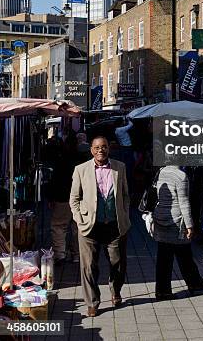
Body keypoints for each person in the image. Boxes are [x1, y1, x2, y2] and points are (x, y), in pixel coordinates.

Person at [69, 135, 131, 317]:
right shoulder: (80, 170)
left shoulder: (120, 167)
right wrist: (80, 220)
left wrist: (125, 215)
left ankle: (115, 290)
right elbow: (74, 199)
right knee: (89, 266)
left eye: (103, 147)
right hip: (89, 226)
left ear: (108, 148)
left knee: (117, 263)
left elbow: (126, 195)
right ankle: (92, 302)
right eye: (96, 147)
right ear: (91, 150)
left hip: (114, 224)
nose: (100, 150)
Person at [153, 165, 203, 300]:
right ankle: (195, 284)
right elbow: (184, 202)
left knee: (164, 257)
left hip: (160, 217)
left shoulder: (161, 171)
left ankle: (162, 290)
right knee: (184, 254)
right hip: (176, 221)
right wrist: (190, 225)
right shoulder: (180, 176)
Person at [46, 134, 80, 265]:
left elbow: (55, 180)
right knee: (77, 227)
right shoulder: (82, 159)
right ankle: (77, 254)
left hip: (62, 197)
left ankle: (60, 254)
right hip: (79, 198)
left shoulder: (60, 160)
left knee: (59, 226)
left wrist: (51, 197)